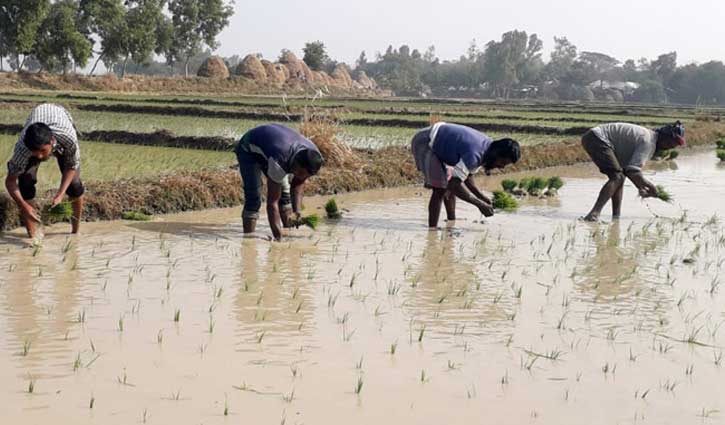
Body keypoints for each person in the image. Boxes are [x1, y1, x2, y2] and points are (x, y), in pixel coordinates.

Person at [411, 122, 521, 228]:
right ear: (496, 153)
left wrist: (481, 197)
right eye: (502, 162)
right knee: (440, 189)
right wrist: (479, 204)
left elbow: (467, 176)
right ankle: (432, 231)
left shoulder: (488, 149)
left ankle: (451, 222)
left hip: (441, 142)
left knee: (448, 184)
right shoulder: (475, 153)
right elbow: (454, 184)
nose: (501, 167)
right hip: (426, 141)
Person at [5, 104, 84, 238]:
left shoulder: (68, 138)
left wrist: (60, 194)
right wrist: (23, 205)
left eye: (43, 151)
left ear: (52, 141)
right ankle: (33, 237)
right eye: (35, 152)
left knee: (74, 186)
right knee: (25, 184)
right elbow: (10, 181)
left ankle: (75, 232)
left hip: (60, 117)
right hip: (37, 120)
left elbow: (71, 166)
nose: (40, 156)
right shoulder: (23, 148)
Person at [581, 121, 686, 222]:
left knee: (620, 178)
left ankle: (616, 216)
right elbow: (633, 172)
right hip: (597, 138)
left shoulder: (650, 140)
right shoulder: (648, 142)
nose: (671, 146)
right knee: (617, 177)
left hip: (598, 138)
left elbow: (628, 171)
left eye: (675, 144)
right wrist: (651, 187)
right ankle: (594, 214)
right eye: (670, 142)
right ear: (663, 136)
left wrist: (640, 186)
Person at [235, 124, 323, 240]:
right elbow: (272, 203)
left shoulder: (314, 156)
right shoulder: (280, 161)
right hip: (249, 148)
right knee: (254, 198)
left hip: (274, 146)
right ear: (295, 164)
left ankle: (288, 231)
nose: (302, 177)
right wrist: (278, 238)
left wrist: (297, 211)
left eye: (306, 175)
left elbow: (298, 183)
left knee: (285, 197)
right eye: (300, 173)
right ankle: (248, 239)